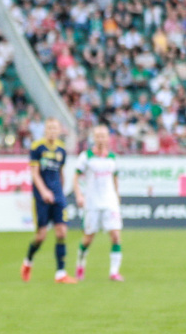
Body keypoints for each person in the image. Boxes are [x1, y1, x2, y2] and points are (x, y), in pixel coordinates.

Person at [21, 117, 77, 283]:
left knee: (61, 232)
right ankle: (28, 262)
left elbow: (60, 173)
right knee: (41, 236)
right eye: (49, 128)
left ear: (59, 131)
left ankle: (61, 273)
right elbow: (35, 173)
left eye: (55, 128)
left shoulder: (61, 150)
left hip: (58, 196)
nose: (52, 131)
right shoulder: (37, 147)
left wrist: (61, 192)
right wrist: (44, 191)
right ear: (45, 130)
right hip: (41, 197)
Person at [74, 125, 123, 281]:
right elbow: (76, 177)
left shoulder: (112, 158)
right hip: (92, 202)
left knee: (115, 236)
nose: (101, 139)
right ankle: (80, 264)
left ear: (108, 138)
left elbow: (115, 178)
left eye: (103, 136)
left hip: (110, 201)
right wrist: (79, 195)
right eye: (98, 136)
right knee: (88, 238)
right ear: (94, 138)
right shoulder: (86, 156)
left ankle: (114, 272)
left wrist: (117, 195)